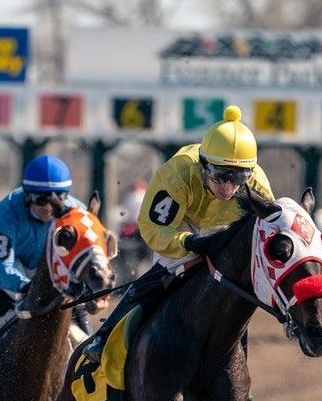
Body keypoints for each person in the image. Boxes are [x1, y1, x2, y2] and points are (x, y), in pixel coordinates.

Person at [79, 105, 274, 364]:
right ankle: (104, 335)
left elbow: (268, 233)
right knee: (163, 271)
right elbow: (153, 228)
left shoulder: (257, 185)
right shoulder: (177, 174)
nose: (228, 188)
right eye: (221, 176)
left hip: (226, 229)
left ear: (250, 173)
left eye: (238, 177)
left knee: (237, 289)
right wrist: (188, 242)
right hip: (181, 224)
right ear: (204, 165)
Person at [0, 155, 87, 391]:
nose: (49, 207)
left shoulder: (78, 213)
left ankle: (94, 352)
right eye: (41, 199)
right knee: (5, 297)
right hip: (18, 270)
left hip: (56, 272)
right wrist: (26, 287)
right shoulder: (7, 211)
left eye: (58, 199)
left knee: (78, 306)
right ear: (27, 195)